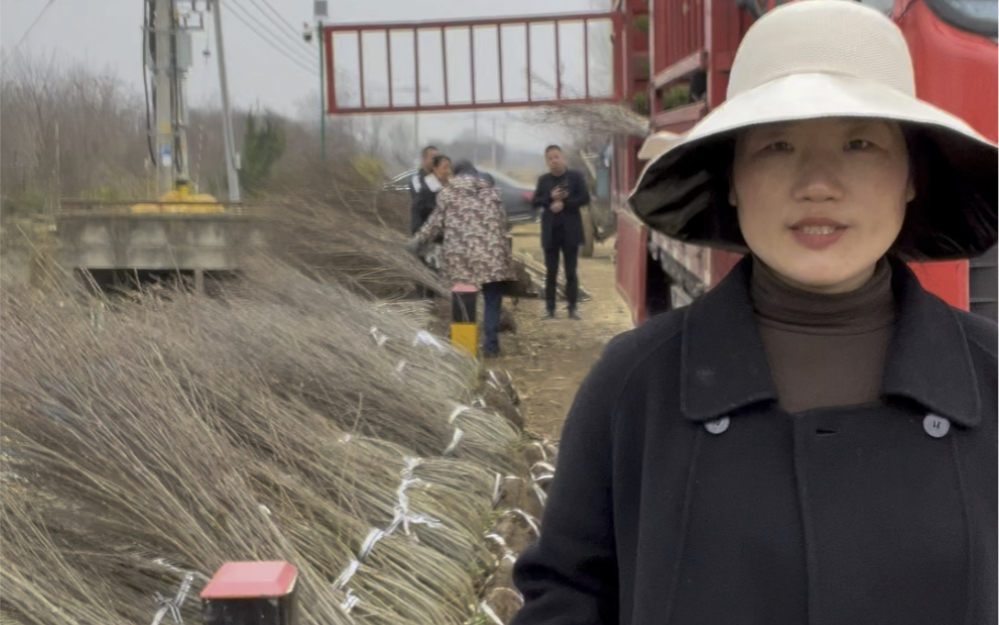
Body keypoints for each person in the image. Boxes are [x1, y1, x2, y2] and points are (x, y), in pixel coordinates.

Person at [511, 2, 997, 624]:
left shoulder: (991, 378)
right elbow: (567, 595)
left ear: (911, 177)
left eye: (859, 142)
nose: (818, 182)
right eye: (777, 145)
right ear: (732, 179)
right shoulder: (636, 383)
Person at [409, 159, 516, 357]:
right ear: (475, 173)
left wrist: (415, 243)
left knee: (463, 299)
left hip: (462, 259)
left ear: (457, 175)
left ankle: (464, 346)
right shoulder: (492, 192)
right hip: (491, 257)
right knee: (492, 299)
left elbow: (433, 225)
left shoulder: (448, 193)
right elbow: (504, 223)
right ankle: (491, 346)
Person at [533, 145, 591, 320]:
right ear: (546, 161)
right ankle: (550, 309)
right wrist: (550, 198)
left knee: (571, 272)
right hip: (550, 233)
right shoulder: (543, 180)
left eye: (556, 157)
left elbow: (585, 198)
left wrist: (565, 203)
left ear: (563, 158)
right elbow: (535, 202)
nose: (554, 161)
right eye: (550, 158)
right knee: (551, 271)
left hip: (570, 232)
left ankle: (572, 308)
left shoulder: (575, 177)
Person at [409, 145, 439, 235]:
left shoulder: (440, 178)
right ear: (423, 159)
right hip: (421, 228)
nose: (435, 161)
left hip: (438, 231)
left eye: (437, 158)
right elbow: (421, 197)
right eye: (433, 158)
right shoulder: (416, 179)